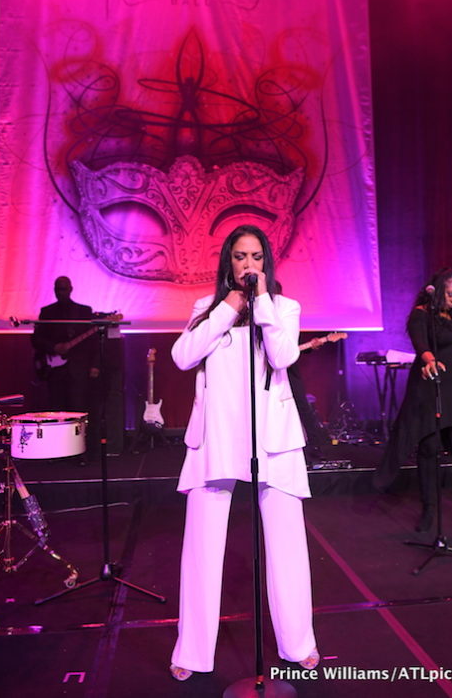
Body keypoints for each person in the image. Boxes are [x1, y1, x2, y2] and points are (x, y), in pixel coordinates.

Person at [169, 224, 318, 681]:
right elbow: (182, 356)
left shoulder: (284, 307)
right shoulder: (207, 308)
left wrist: (261, 304)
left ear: (265, 262)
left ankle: (298, 643)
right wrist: (228, 308)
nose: (248, 264)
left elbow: (283, 357)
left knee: (287, 545)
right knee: (201, 548)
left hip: (273, 438)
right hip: (216, 437)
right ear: (228, 262)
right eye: (239, 256)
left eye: (255, 256)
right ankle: (192, 651)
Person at [373, 268, 452, 538]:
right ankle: (429, 510)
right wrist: (430, 360)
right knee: (429, 448)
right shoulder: (421, 313)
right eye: (450, 294)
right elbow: (421, 344)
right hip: (429, 383)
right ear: (437, 291)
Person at [31, 277, 100, 458]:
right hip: (54, 369)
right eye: (58, 289)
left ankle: (80, 452)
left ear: (71, 289)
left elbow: (93, 342)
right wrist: (53, 347)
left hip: (78, 368)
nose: (61, 292)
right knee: (56, 409)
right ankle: (56, 451)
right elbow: (36, 339)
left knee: (79, 409)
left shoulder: (84, 311)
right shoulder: (47, 312)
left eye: (64, 289)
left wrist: (94, 365)